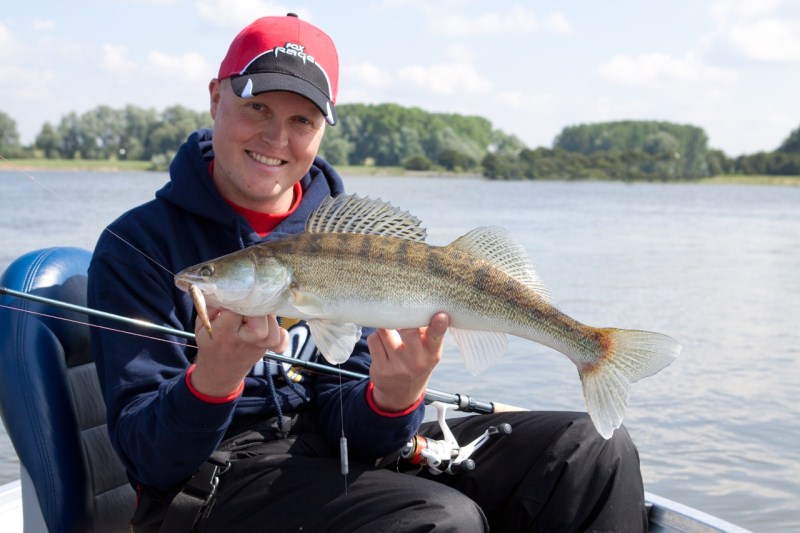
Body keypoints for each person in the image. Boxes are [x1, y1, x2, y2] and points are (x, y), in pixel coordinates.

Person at [89, 13, 649, 532]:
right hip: (213, 483)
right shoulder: (137, 247)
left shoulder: (350, 245)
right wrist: (213, 380)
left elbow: (356, 431)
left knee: (590, 451)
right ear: (216, 97)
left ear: (322, 129)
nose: (276, 138)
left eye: (301, 120)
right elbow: (147, 461)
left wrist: (393, 397)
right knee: (442, 519)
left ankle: (592, 349)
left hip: (336, 458)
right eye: (257, 107)